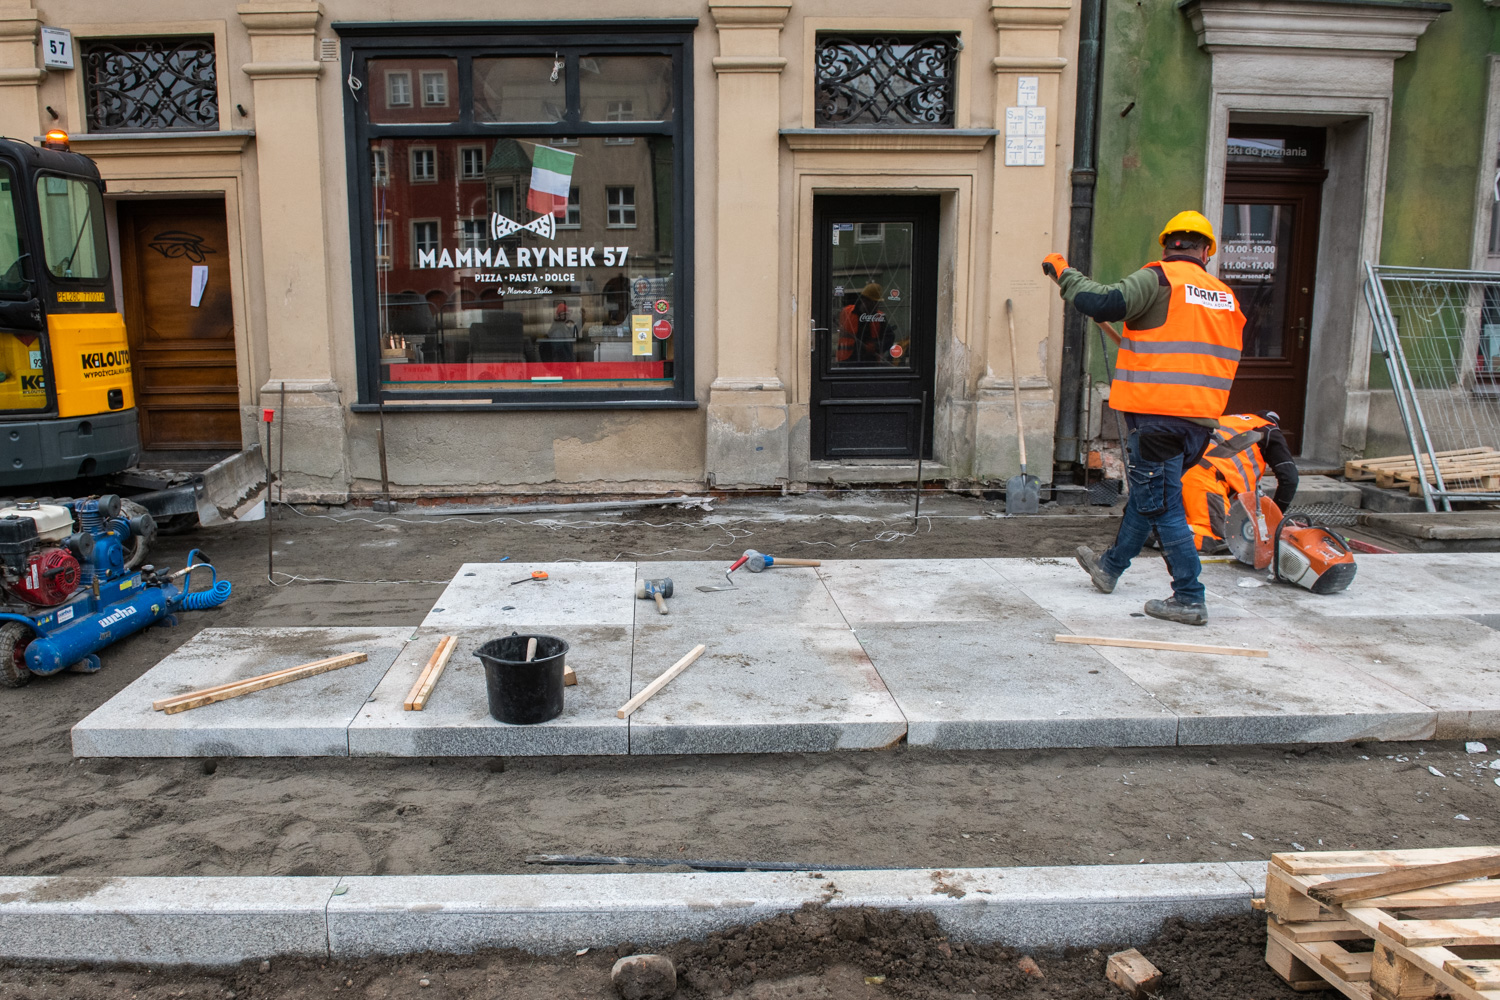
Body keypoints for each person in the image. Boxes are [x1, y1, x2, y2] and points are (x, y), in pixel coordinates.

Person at [1042, 210, 1247, 625]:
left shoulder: (1160, 278)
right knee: (1149, 495)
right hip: (1200, 423)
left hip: (1157, 420)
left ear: (1168, 244)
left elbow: (1103, 302)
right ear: (1206, 250)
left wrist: (1064, 274)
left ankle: (1189, 596)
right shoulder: (1225, 297)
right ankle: (1110, 567)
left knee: (1165, 506)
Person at [1182, 411, 1299, 553]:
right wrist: (1275, 518)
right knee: (1224, 539)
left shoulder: (1231, 422)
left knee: (1183, 518)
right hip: (1206, 477)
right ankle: (1164, 535)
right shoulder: (1269, 428)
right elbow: (1290, 480)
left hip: (1181, 471)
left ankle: (1163, 528)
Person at [837, 283, 890, 363]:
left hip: (871, 360)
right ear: (864, 300)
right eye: (874, 302)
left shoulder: (880, 317)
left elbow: (889, 337)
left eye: (877, 303)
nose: (876, 305)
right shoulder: (846, 312)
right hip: (847, 360)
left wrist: (876, 346)